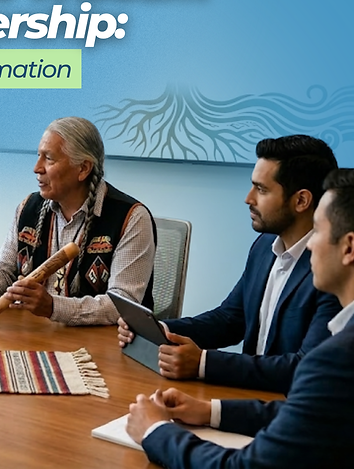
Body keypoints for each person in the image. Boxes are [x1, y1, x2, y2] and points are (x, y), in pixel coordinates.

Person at [126, 168, 354, 468]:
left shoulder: (336, 359)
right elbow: (310, 412)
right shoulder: (264, 247)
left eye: (319, 231)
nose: (311, 243)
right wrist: (211, 411)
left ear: (349, 247)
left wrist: (155, 431)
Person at [117, 135, 341, 393]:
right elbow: (231, 320)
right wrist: (160, 330)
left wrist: (203, 363)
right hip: (247, 395)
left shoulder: (333, 270)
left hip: (288, 408)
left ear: (301, 200)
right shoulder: (264, 246)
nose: (248, 198)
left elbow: (304, 366)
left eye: (262, 189)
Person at [0, 116, 155, 326]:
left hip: (103, 346)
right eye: (38, 156)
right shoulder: (28, 208)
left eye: (49, 158)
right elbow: (4, 283)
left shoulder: (132, 218)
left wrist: (53, 307)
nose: (37, 168)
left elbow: (122, 307)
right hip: (35, 337)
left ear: (83, 168)